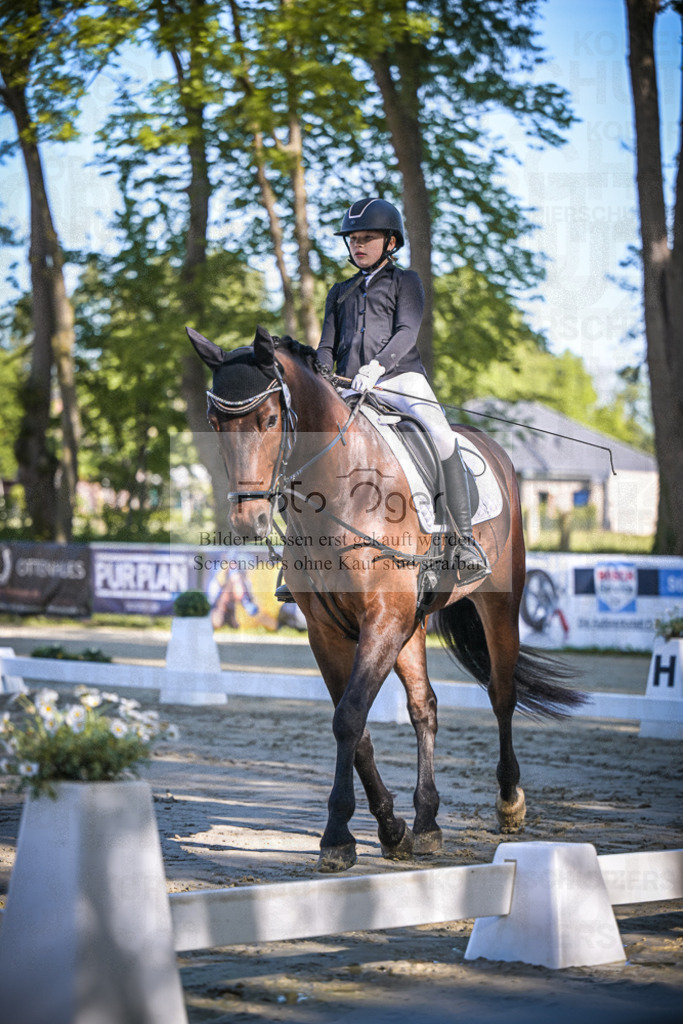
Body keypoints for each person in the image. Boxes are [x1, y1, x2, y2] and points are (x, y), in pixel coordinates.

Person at [276, 196, 489, 599]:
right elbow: (327, 345)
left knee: (442, 436)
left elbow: (407, 331)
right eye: (353, 239)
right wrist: (323, 371)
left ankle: (463, 541)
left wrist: (377, 367)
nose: (357, 245)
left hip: (399, 379)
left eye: (367, 238)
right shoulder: (340, 291)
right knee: (301, 447)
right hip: (347, 387)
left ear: (390, 242)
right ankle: (297, 556)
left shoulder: (406, 282)